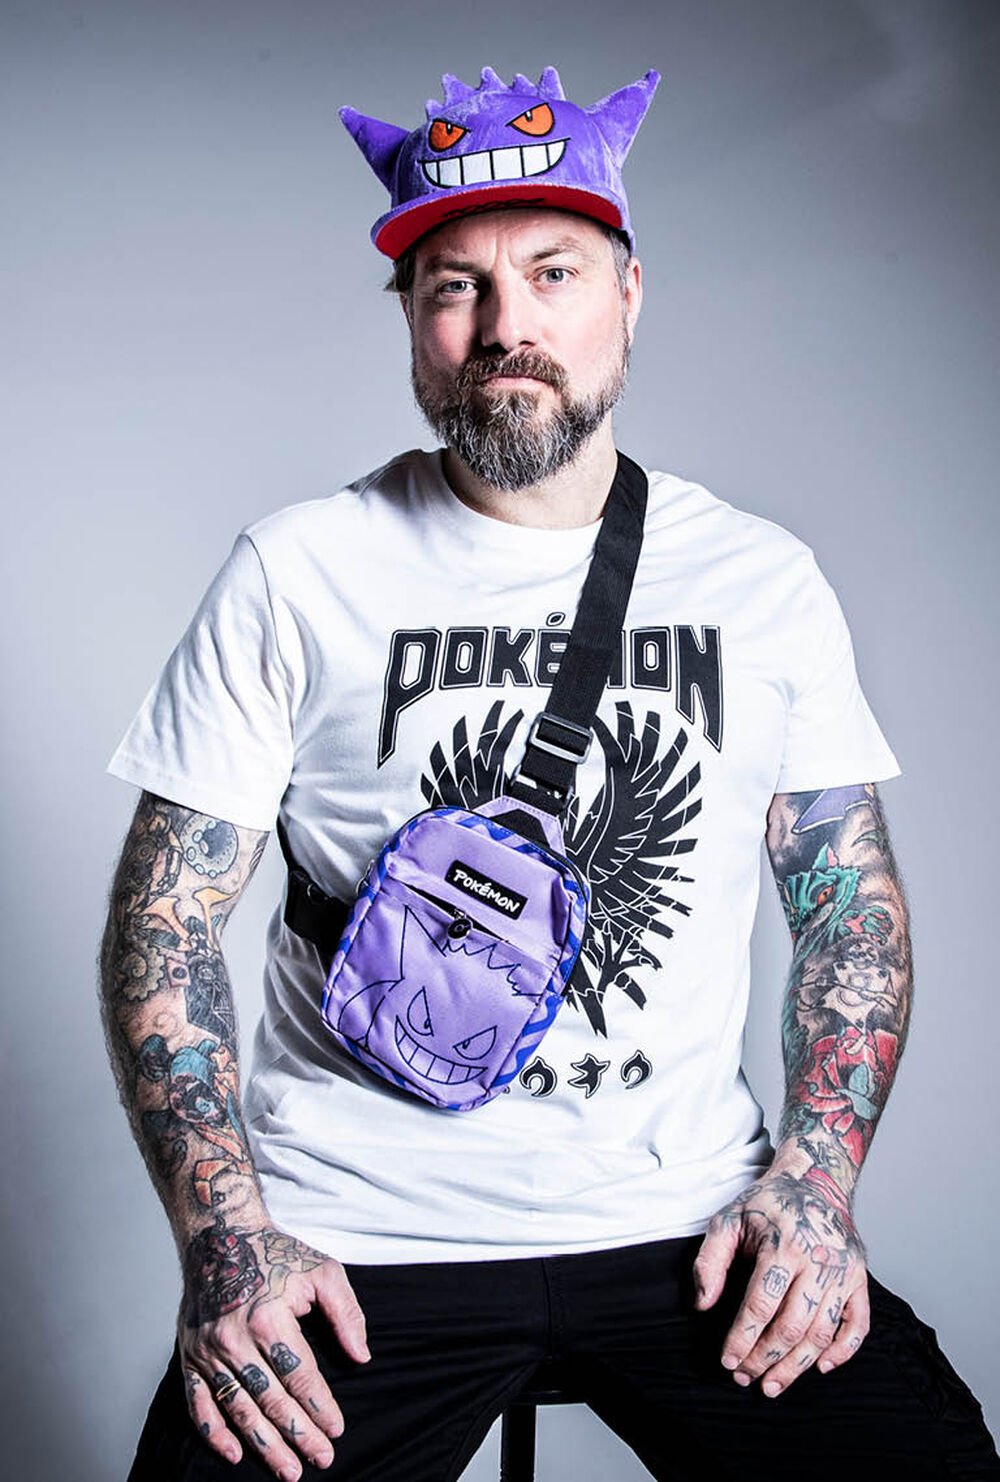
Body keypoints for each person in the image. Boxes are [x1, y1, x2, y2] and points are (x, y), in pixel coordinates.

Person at [101, 64, 999, 1482]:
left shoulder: (761, 580)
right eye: (455, 286)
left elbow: (849, 914)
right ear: (411, 319)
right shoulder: (298, 571)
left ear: (630, 295)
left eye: (554, 273)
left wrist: (815, 1187)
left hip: (685, 1223)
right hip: (360, 1231)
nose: (506, 326)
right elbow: (164, 922)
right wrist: (230, 1239)